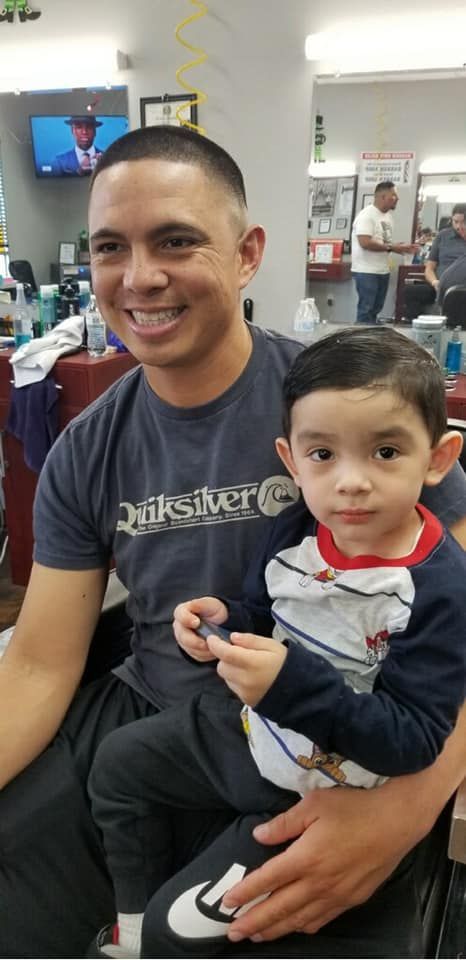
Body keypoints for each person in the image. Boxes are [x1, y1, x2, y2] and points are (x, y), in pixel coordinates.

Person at [0, 125, 465, 959]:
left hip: (340, 742)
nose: (140, 277)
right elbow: (37, 663)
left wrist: (406, 807)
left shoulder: (351, 409)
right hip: (160, 725)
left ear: (247, 253)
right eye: (112, 247)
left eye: (176, 241)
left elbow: (459, 621)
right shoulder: (88, 449)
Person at [87, 326, 466, 958]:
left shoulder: (438, 587)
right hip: (246, 732)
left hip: (329, 786)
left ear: (438, 458)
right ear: (291, 460)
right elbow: (264, 611)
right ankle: (124, 931)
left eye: (386, 452)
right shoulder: (297, 527)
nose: (350, 482)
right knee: (117, 765)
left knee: (174, 933)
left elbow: (413, 740)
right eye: (324, 455)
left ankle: (147, 933)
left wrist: (287, 684)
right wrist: (216, 626)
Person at [351, 181, 418, 324]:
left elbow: (385, 243)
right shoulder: (366, 216)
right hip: (366, 271)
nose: (397, 199)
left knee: (376, 309)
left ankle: (371, 339)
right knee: (366, 310)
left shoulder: (387, 217)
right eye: (393, 195)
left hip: (382, 270)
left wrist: (402, 248)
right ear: (382, 196)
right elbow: (365, 242)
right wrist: (393, 248)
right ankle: (361, 343)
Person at [404, 205, 466, 320]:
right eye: (456, 222)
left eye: (463, 222)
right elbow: (429, 268)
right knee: (410, 291)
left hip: (462, 287)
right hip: (438, 286)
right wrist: (434, 282)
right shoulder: (443, 236)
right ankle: (414, 330)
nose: (459, 226)